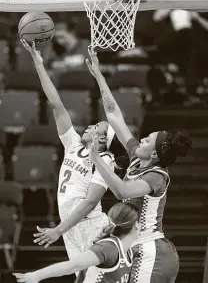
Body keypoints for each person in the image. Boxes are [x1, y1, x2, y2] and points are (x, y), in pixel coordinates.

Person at [86, 50, 192, 283]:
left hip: (151, 250)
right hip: (131, 247)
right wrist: (100, 77)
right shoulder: (137, 157)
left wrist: (97, 161)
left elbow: (122, 192)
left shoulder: (156, 176)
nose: (140, 139)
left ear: (154, 153)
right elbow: (114, 116)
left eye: (147, 140)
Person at [20, 39, 126, 264]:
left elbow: (88, 203)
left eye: (97, 127)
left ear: (104, 140)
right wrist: (39, 64)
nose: (90, 126)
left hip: (91, 225)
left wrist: (57, 230)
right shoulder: (73, 144)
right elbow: (56, 105)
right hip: (70, 226)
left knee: (102, 278)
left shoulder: (106, 159)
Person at [14, 202, 141, 283]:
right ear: (136, 225)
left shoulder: (128, 251)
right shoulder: (108, 248)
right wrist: (37, 276)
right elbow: (72, 266)